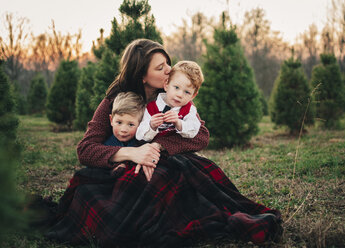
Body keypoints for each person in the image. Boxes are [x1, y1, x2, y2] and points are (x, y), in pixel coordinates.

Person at [46, 38, 282, 247]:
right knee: (128, 196)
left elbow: (201, 136)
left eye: (168, 62)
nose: (169, 70)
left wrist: (159, 146)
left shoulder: (175, 96)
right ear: (142, 75)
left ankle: (226, 216)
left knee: (182, 171)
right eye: (161, 67)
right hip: (123, 167)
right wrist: (133, 154)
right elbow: (85, 149)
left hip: (163, 161)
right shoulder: (115, 101)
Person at [136, 60, 203, 142]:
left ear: (193, 96)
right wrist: (151, 126)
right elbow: (139, 136)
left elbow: (194, 130)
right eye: (176, 87)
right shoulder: (151, 108)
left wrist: (178, 123)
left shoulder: (189, 109)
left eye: (187, 92)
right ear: (166, 85)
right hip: (154, 151)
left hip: (178, 150)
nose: (180, 95)